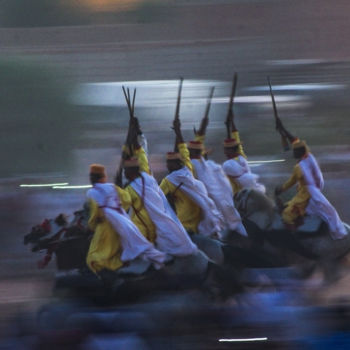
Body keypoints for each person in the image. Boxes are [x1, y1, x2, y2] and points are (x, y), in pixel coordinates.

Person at [86, 164, 166, 274]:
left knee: (96, 255)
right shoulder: (113, 187)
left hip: (106, 225)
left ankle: (108, 273)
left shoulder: (92, 192)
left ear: (92, 179)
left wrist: (91, 226)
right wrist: (118, 208)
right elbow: (127, 200)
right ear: (103, 177)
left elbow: (95, 213)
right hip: (122, 219)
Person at [159, 119, 224, 237]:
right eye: (167, 163)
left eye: (170, 163)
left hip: (184, 225)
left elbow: (157, 197)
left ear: (178, 163)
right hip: (198, 223)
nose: (167, 166)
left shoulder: (168, 180)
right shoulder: (187, 169)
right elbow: (184, 152)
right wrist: (178, 131)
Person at [187, 114, 247, 236]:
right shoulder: (239, 159)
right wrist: (232, 127)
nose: (225, 151)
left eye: (227, 149)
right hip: (229, 200)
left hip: (233, 198)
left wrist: (201, 132)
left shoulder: (221, 166)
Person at [275, 139, 347, 239]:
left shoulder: (299, 167)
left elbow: (291, 182)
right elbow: (296, 140)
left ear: (301, 152)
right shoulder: (309, 158)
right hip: (309, 193)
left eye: (295, 151)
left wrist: (281, 189)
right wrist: (283, 130)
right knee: (286, 205)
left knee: (286, 216)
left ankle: (294, 241)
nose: (293, 153)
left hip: (304, 197)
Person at [222, 110, 265, 194]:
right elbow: (236, 139)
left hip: (236, 196)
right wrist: (231, 123)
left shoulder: (227, 165)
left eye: (226, 149)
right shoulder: (242, 157)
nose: (224, 152)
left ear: (231, 150)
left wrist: (231, 123)